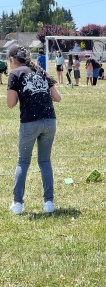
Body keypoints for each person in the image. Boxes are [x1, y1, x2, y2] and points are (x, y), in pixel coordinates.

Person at [7, 45, 61, 214]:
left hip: (30, 122)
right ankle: (49, 203)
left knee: (23, 162)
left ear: (13, 60)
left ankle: (17, 203)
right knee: (45, 161)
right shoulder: (41, 71)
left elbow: (10, 104)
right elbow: (57, 97)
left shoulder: (15, 74)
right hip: (50, 121)